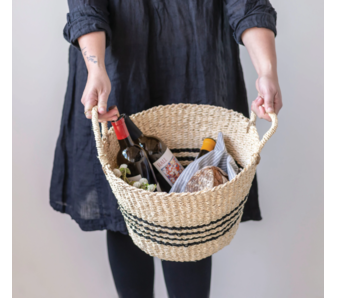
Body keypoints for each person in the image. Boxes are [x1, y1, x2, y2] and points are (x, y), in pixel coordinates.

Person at [50, 1, 282, 297]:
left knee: (193, 214)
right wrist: (97, 68)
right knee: (127, 206)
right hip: (115, 72)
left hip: (195, 68)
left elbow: (246, 5)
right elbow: (87, 8)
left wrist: (267, 71)